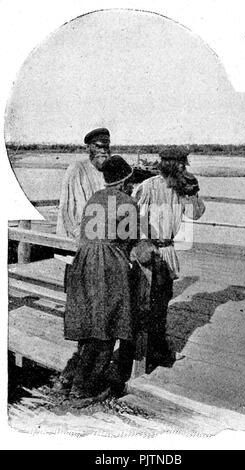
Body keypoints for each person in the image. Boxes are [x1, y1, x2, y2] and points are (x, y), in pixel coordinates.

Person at [59, 155, 153, 402]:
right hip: (108, 264)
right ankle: (84, 388)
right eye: (130, 181)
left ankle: (67, 379)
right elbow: (130, 240)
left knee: (90, 324)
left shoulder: (93, 198)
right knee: (108, 325)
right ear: (124, 182)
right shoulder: (127, 203)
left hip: (84, 262)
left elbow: (87, 231)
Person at [132, 145, 205, 369]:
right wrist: (138, 241)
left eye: (185, 164)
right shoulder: (149, 186)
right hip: (150, 250)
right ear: (171, 165)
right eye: (181, 164)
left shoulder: (181, 189)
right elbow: (128, 210)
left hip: (168, 250)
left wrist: (193, 193)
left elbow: (196, 214)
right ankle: (144, 354)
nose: (184, 168)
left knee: (162, 302)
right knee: (147, 304)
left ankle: (158, 351)